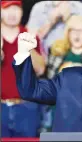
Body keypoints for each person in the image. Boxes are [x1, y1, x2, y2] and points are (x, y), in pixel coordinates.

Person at [1, 1, 45, 137]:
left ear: (21, 12)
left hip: (27, 108)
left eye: (16, 8)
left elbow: (40, 70)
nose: (12, 13)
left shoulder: (29, 35)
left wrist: (28, 48)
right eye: (7, 8)